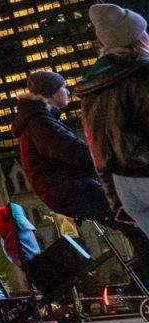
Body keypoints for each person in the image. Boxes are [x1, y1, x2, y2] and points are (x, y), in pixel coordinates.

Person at [17, 65, 149, 266]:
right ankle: (142, 277)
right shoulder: (39, 123)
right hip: (71, 190)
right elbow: (77, 153)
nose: (68, 92)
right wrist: (108, 154)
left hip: (72, 188)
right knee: (134, 216)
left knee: (132, 219)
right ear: (51, 94)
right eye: (63, 87)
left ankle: (140, 278)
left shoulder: (41, 121)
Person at [76, 5, 149, 247]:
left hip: (125, 187)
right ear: (136, 38)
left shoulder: (91, 89)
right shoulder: (140, 72)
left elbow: (98, 151)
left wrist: (115, 201)